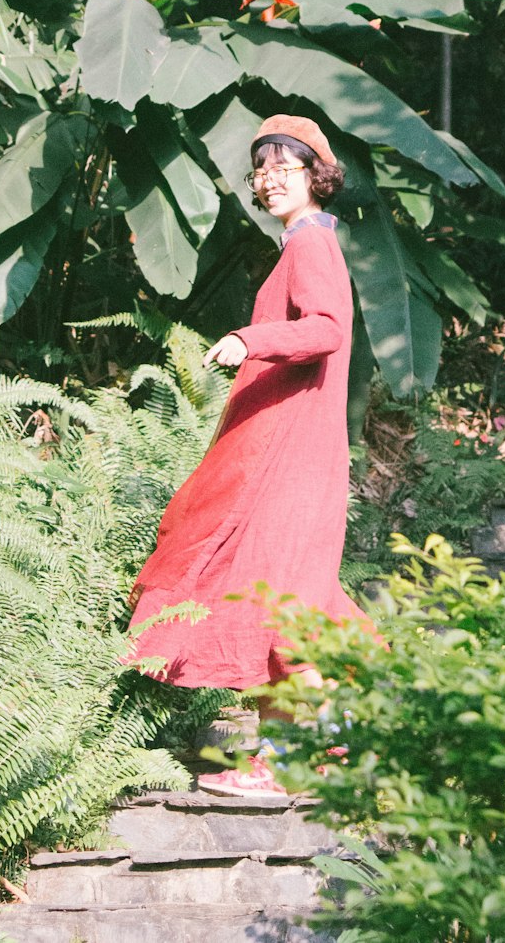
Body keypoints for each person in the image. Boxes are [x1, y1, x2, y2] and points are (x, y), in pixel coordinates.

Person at [126, 113, 367, 794]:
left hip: (291, 457)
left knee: (279, 600)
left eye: (284, 166)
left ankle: (328, 756)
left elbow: (325, 329)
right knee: (273, 600)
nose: (270, 180)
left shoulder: (311, 249)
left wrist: (250, 339)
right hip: (287, 448)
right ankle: (297, 760)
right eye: (261, 169)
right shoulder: (303, 246)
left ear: (315, 175)